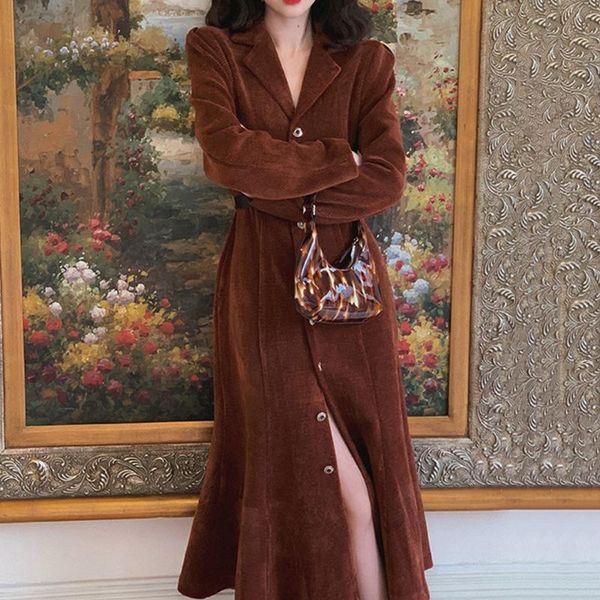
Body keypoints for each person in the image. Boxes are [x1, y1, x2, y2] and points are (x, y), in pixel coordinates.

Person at [178, 2, 434, 599]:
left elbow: (386, 178)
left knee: (364, 489)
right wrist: (338, 160)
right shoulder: (214, 49)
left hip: (350, 292)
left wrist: (266, 187)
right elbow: (225, 153)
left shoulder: (368, 61)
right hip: (262, 286)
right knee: (332, 486)